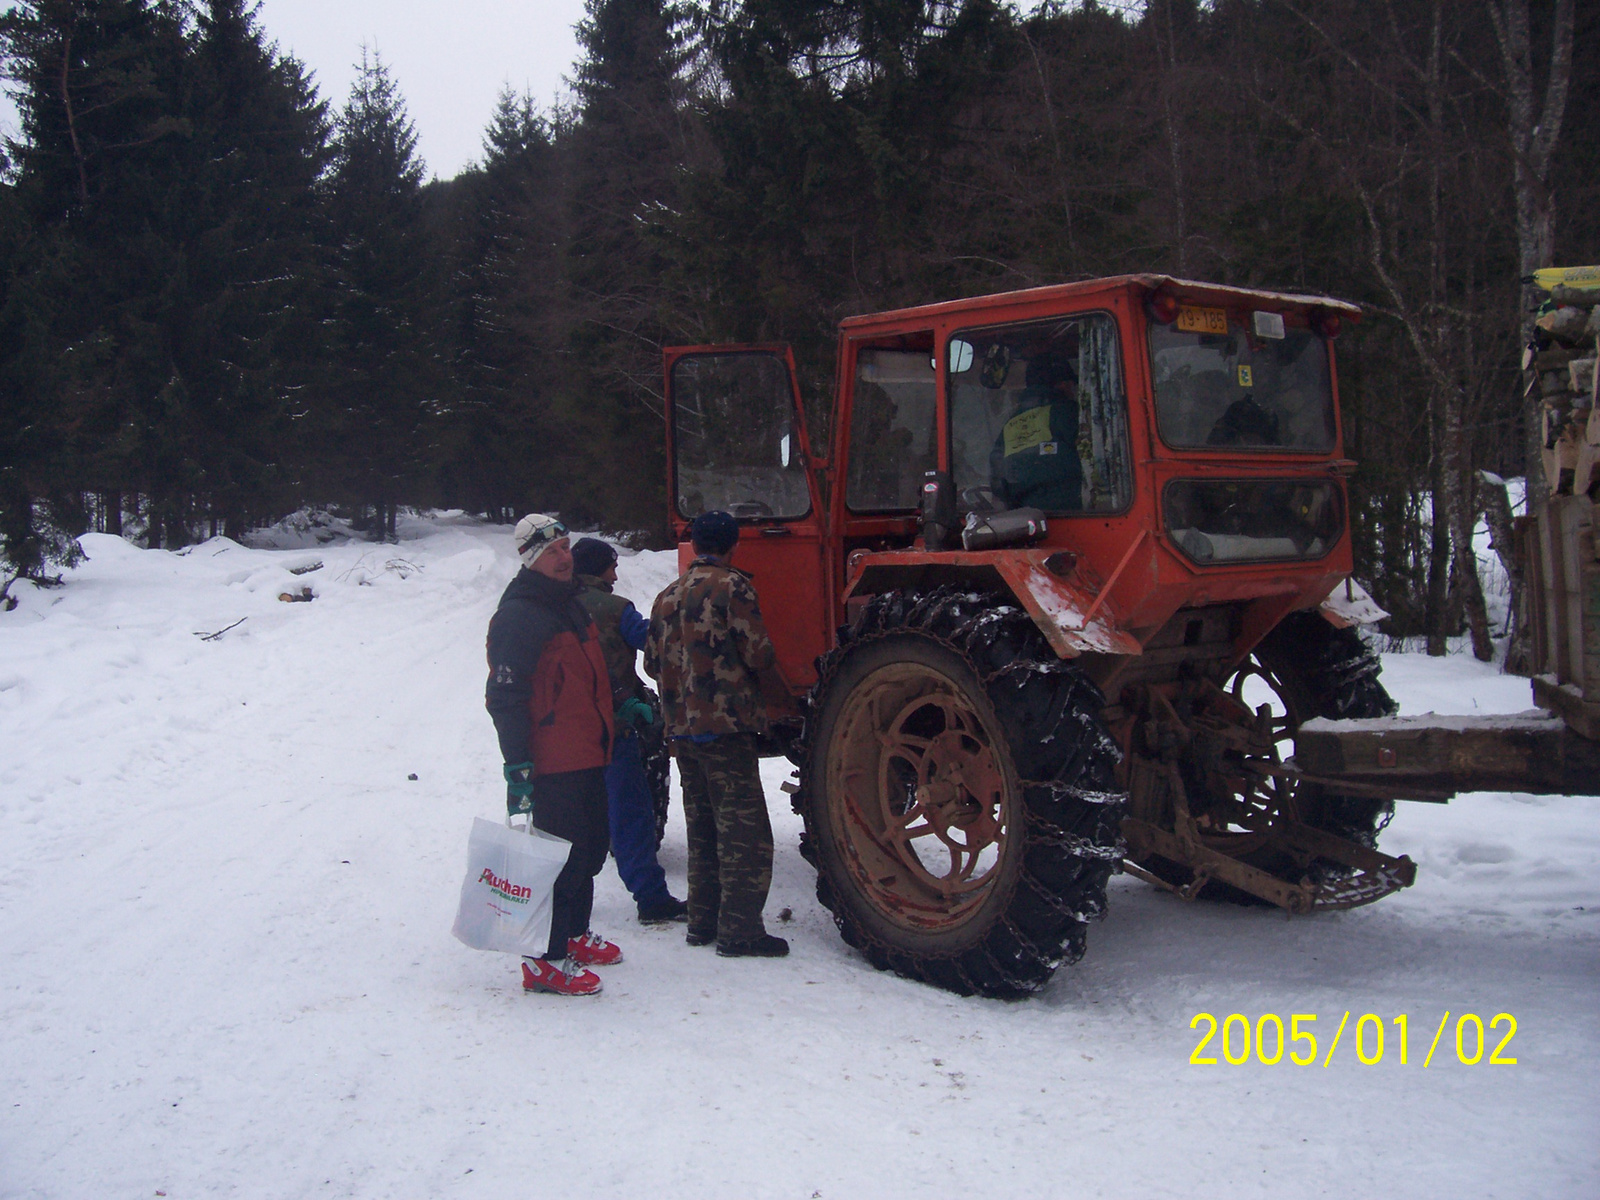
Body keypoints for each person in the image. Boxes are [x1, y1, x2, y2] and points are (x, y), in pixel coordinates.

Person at [485, 514, 622, 997]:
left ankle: (573, 933)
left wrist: (621, 708)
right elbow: (504, 694)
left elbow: (586, 678)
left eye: (565, 547)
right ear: (530, 559)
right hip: (551, 760)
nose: (564, 558)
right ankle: (543, 960)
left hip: (587, 752)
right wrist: (518, 763)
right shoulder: (521, 615)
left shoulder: (570, 605)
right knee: (555, 861)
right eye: (551, 552)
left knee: (585, 852)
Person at [644, 510, 791, 958]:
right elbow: (758, 653)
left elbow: (651, 664)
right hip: (727, 728)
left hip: (683, 731)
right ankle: (741, 931)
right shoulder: (733, 587)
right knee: (743, 831)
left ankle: (702, 921)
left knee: (703, 826)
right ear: (733, 545)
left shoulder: (666, 596)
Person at [570, 536, 689, 925]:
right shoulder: (616, 609)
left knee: (566, 815)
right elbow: (653, 644)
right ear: (598, 568)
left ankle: (556, 898)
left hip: (562, 731)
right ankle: (650, 897)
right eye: (612, 565)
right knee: (630, 812)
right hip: (612, 724)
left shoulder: (551, 604)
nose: (617, 572)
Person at [989, 353, 1083, 511]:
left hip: (1024, 519)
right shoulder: (1070, 413)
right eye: (1070, 384)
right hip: (1075, 512)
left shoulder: (1010, 425)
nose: (1072, 390)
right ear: (1058, 384)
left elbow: (998, 479)